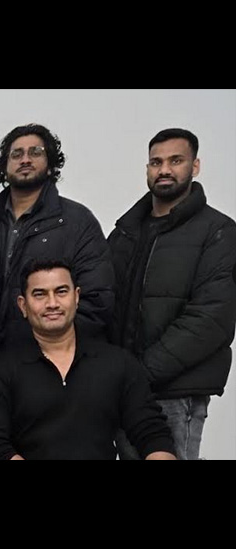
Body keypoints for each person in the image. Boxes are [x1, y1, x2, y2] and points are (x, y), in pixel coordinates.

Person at [109, 128, 236, 460]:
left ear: (195, 167)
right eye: (156, 162)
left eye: (175, 161)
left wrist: (139, 374)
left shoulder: (219, 231)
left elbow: (210, 318)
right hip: (124, 392)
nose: (164, 169)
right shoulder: (125, 233)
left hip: (176, 393)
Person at [0, 259, 175, 460]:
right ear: (22, 305)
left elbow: (152, 431)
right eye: (40, 294)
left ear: (76, 297)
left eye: (61, 292)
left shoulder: (117, 363)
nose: (52, 303)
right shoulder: (0, 372)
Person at [0, 123, 113, 352]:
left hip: (51, 359)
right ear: (4, 167)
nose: (25, 159)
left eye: (35, 152)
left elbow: (97, 299)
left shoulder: (77, 222)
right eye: (16, 154)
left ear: (50, 165)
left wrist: (51, 350)